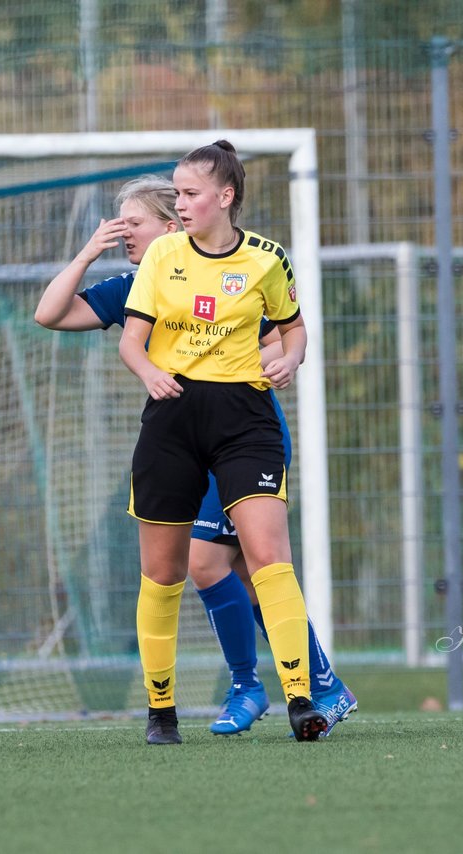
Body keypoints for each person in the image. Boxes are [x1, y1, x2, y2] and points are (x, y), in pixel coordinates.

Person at [35, 175, 357, 738]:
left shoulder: (233, 267)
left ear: (171, 223)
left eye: (131, 223)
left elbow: (279, 331)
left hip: (239, 428)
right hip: (181, 431)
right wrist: (87, 252)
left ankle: (294, 684)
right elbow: (50, 314)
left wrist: (269, 359)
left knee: (238, 560)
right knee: (216, 564)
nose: (122, 233)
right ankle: (270, 684)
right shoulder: (136, 282)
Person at [118, 141, 328, 743]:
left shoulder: (266, 259)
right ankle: (162, 711)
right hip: (172, 417)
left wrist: (292, 359)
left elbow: (293, 328)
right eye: (177, 194)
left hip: (244, 419)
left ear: (224, 197)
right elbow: (133, 340)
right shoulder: (161, 255)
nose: (179, 204)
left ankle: (300, 702)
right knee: (163, 573)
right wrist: (149, 372)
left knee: (269, 556)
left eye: (189, 193)